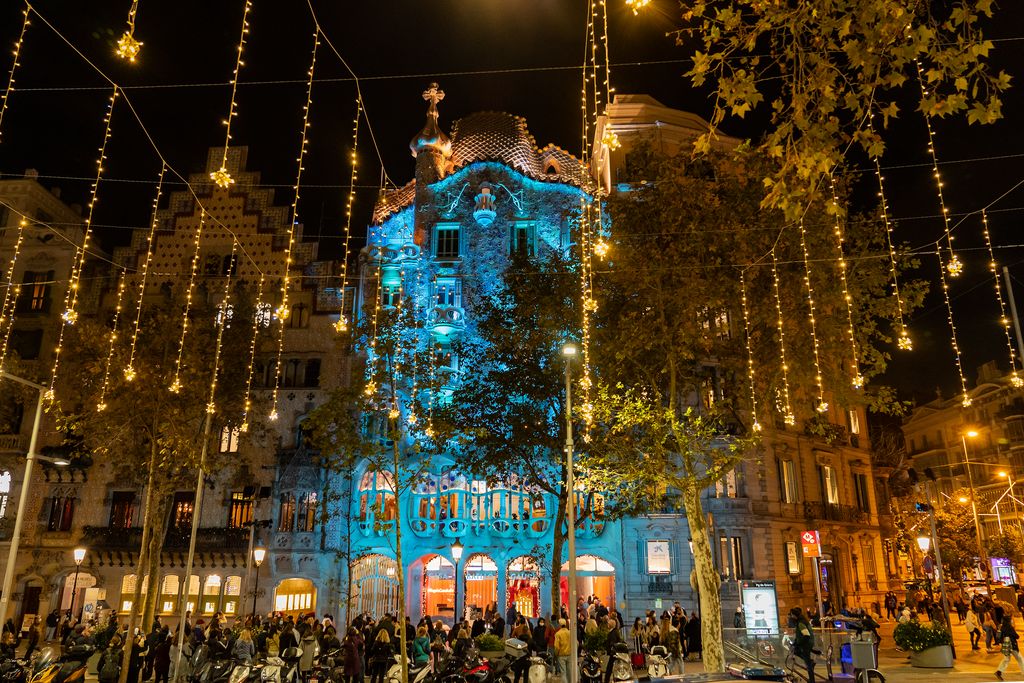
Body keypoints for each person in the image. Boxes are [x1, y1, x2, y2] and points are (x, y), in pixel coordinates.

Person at [789, 608, 815, 683]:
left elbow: (806, 635)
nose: (791, 616)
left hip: (806, 645)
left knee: (808, 665)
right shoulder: (801, 621)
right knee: (796, 651)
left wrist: (798, 643)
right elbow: (800, 635)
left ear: (794, 615)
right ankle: (810, 662)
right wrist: (796, 642)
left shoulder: (801, 623)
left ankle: (812, 681)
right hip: (806, 643)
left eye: (791, 615)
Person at [996, 615, 1024, 680]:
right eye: (1011, 619)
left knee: (1006, 659)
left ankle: (999, 672)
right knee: (1020, 658)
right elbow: (1017, 636)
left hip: (1005, 645)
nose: (1012, 620)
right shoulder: (1010, 627)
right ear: (1008, 621)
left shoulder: (1001, 627)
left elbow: (999, 637)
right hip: (1012, 645)